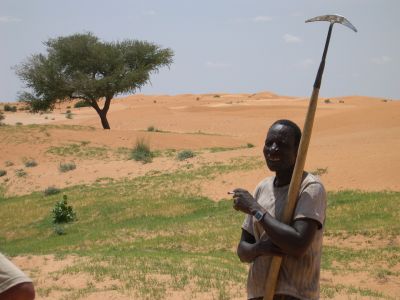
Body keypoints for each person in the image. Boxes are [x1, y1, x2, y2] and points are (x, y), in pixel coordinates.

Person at [232, 119, 327, 300]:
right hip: (258, 295)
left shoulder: (310, 187)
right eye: (269, 143)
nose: (273, 149)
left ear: (298, 150)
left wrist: (254, 208)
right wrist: (260, 248)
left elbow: (297, 245)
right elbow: (242, 251)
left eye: (282, 144)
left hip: (295, 295)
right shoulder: (262, 188)